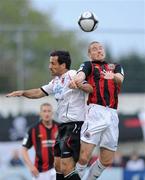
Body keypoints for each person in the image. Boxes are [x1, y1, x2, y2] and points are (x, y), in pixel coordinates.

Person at [6, 50, 93, 180]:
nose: (49, 66)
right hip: (63, 127)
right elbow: (38, 92)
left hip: (75, 125)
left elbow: (90, 88)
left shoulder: (73, 74)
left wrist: (79, 84)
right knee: (57, 165)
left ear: (63, 65)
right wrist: (22, 92)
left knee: (66, 167)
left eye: (53, 63)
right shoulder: (56, 82)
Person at [69, 41, 124, 179]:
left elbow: (120, 79)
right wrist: (77, 80)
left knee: (106, 160)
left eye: (100, 48)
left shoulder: (115, 66)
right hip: (95, 112)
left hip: (112, 114)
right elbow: (81, 74)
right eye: (94, 49)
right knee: (84, 157)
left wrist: (114, 76)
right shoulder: (89, 65)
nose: (99, 51)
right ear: (89, 54)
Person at [22, 103, 58, 180]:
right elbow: (23, 150)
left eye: (49, 111)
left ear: (52, 113)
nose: (47, 114)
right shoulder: (33, 129)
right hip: (40, 171)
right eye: (44, 111)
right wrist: (31, 167)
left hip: (57, 170)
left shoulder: (60, 128)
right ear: (40, 113)